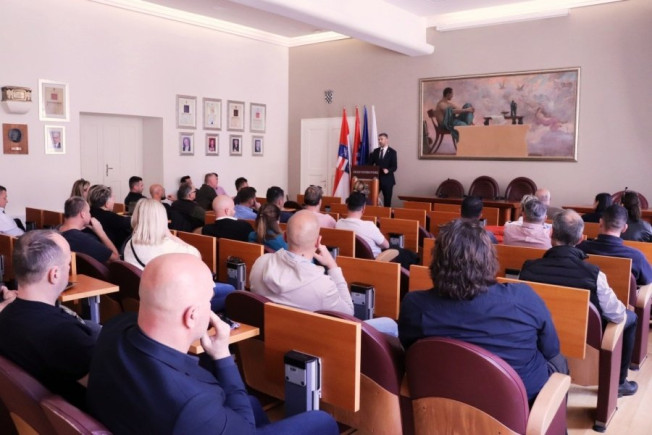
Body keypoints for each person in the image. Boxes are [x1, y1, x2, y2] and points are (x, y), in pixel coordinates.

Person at [87, 253, 337, 434]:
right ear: (192, 315)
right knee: (321, 420)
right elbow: (244, 428)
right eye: (209, 301)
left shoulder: (113, 327)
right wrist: (223, 357)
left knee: (250, 404)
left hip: (135, 418)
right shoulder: (193, 404)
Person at [398, 219, 566, 403]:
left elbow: (410, 350)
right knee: (560, 362)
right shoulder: (523, 297)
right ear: (489, 259)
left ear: (437, 260)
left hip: (443, 399)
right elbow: (551, 349)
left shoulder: (413, 305)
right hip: (516, 405)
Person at [519, 210, 638, 397]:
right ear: (581, 238)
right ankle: (619, 382)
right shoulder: (594, 274)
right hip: (585, 342)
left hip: (540, 337)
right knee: (630, 317)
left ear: (551, 233)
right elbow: (617, 315)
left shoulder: (528, 268)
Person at [250, 210, 398, 336]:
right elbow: (348, 313)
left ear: (284, 237)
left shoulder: (260, 263)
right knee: (390, 324)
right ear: (318, 242)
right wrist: (333, 266)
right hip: (314, 340)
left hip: (274, 337)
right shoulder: (322, 285)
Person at [0, 230, 100, 407]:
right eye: (67, 263)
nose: (69, 269)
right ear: (54, 274)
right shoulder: (66, 335)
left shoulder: (6, 315)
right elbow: (110, 388)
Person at [124, 199, 234, 312]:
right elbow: (196, 255)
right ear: (162, 219)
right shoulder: (167, 246)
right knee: (230, 290)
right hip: (172, 303)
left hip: (146, 298)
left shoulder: (130, 243)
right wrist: (169, 234)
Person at [336, 192, 418, 269]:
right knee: (409, 255)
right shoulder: (369, 226)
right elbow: (386, 245)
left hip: (350, 261)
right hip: (375, 261)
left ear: (347, 206)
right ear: (363, 208)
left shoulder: (339, 224)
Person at [578, 205, 652, 286]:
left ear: (600, 222)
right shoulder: (636, 257)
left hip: (588, 293)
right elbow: (649, 281)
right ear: (624, 228)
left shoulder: (580, 248)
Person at [59, 196, 119, 263]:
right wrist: (101, 233)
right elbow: (116, 258)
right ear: (83, 214)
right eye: (89, 212)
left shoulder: (55, 232)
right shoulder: (83, 239)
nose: (90, 215)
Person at [88, 184, 132, 252]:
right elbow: (130, 222)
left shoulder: (89, 213)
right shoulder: (109, 217)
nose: (114, 201)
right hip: (112, 253)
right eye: (112, 198)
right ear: (106, 203)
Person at [369, 133, 397, 207]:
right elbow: (369, 164)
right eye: (379, 139)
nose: (380, 141)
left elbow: (394, 167)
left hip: (388, 181)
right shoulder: (375, 151)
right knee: (371, 199)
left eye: (381, 139)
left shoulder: (392, 152)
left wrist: (388, 170)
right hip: (376, 180)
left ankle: (387, 214)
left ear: (386, 140)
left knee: (387, 202)